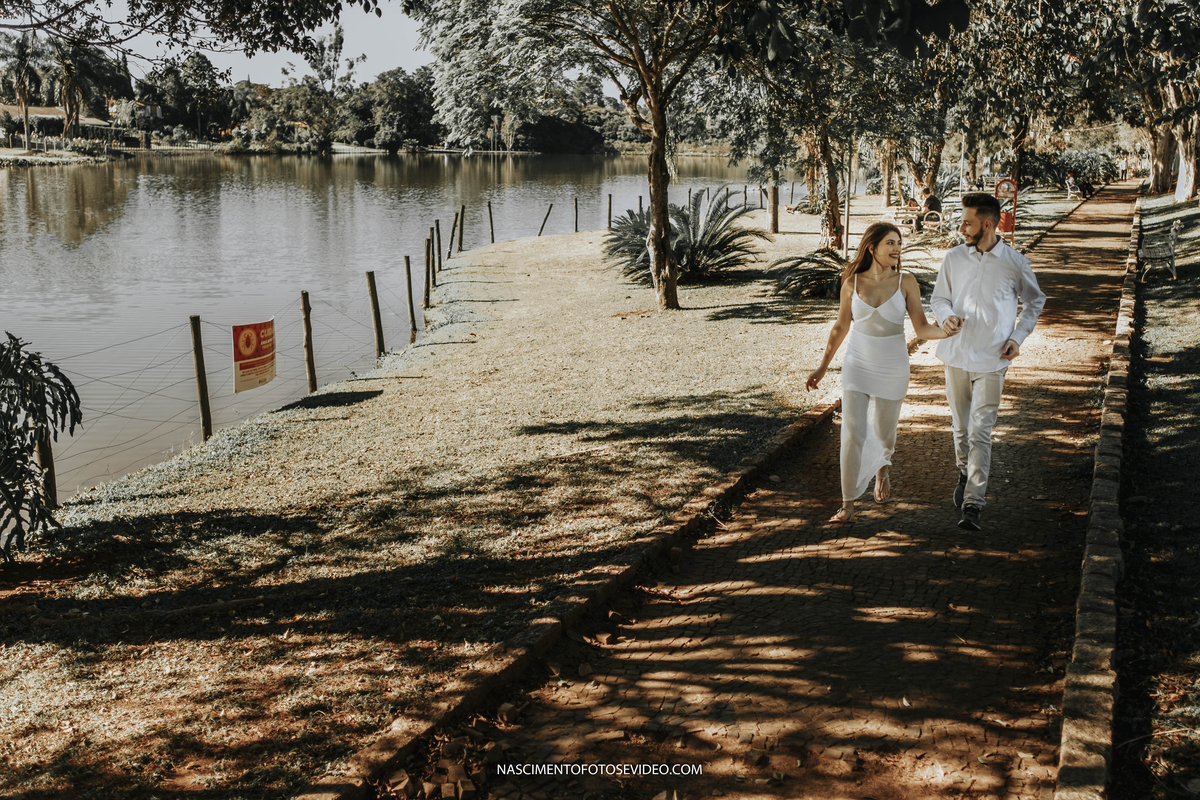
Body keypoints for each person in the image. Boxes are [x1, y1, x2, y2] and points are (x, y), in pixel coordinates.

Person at [807, 222, 958, 523]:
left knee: (884, 432)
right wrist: (822, 367)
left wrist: (946, 331)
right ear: (872, 247)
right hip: (857, 362)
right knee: (852, 432)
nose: (897, 248)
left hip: (892, 364)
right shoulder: (851, 282)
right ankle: (848, 503)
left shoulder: (906, 281)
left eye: (899, 243)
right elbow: (840, 327)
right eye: (891, 243)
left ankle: (883, 469)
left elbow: (921, 328)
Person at [930, 193, 1046, 531]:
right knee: (961, 428)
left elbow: (1035, 301)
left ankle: (973, 505)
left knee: (981, 430)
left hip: (993, 360)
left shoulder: (1015, 263)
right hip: (955, 356)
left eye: (967, 222)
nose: (961, 227)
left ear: (988, 224)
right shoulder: (953, 258)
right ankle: (964, 471)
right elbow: (939, 297)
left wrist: (1018, 337)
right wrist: (946, 315)